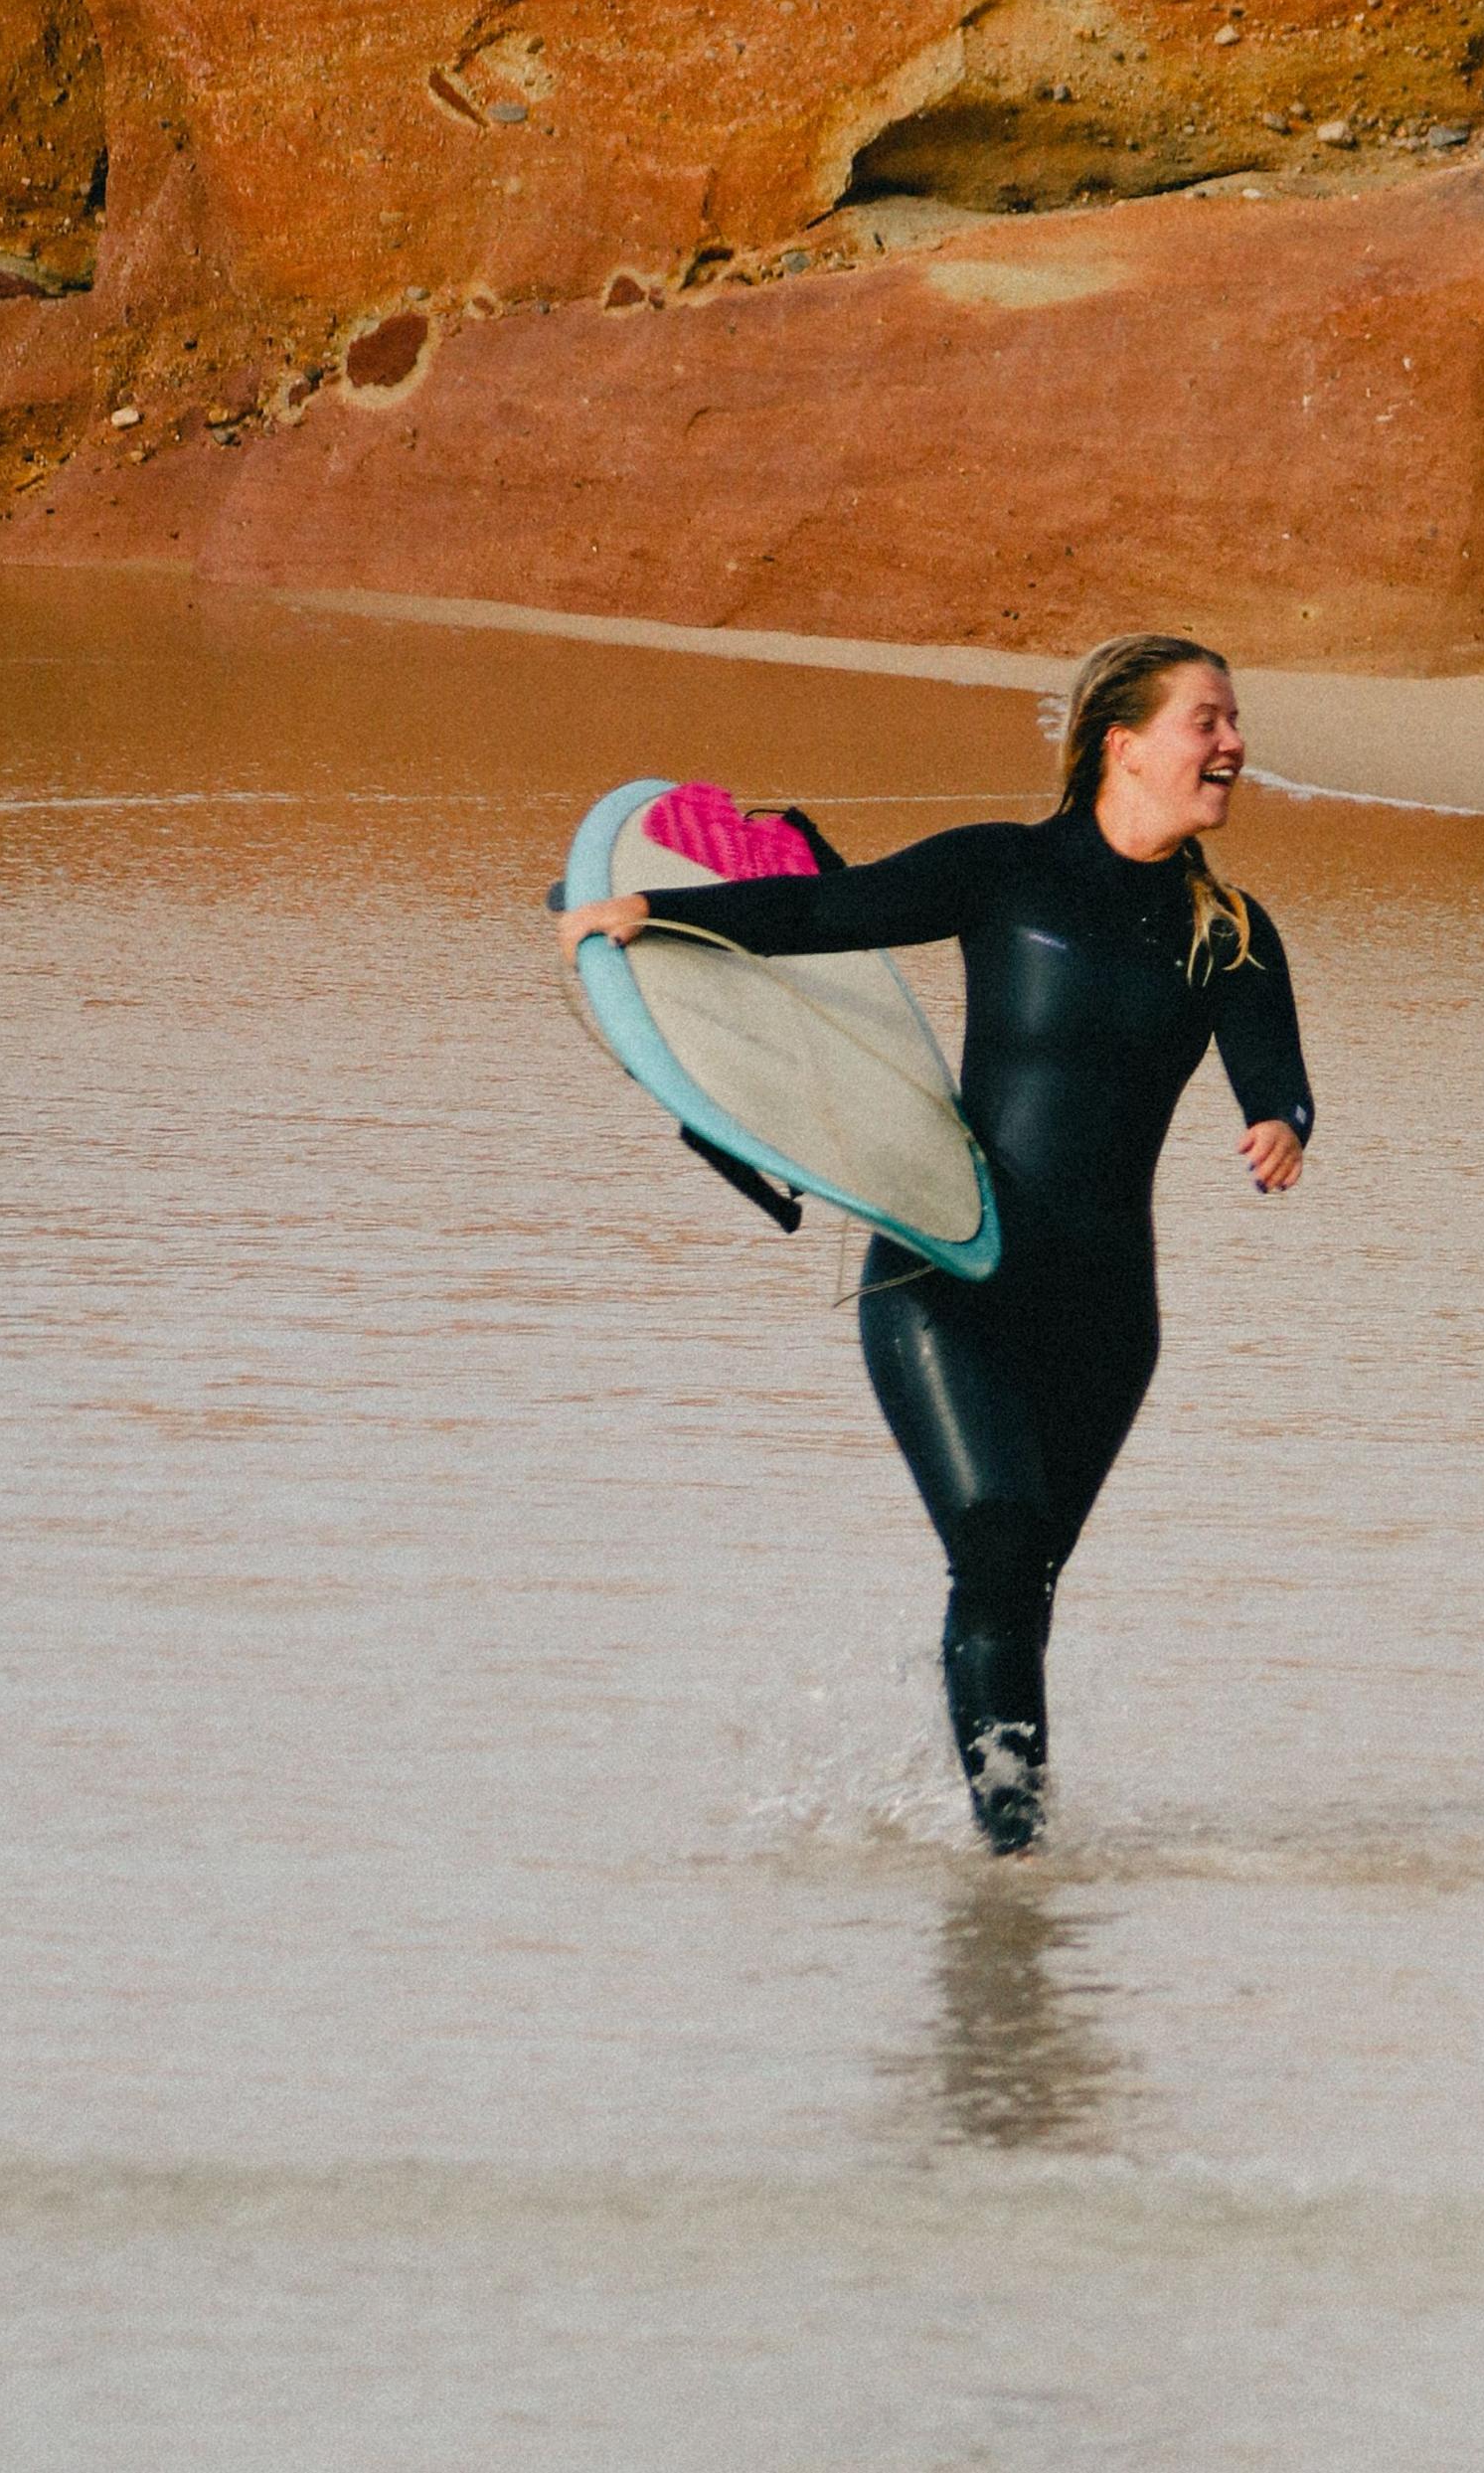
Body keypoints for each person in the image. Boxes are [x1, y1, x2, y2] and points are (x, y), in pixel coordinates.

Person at [561, 636, 1312, 1852]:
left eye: (1233, 720)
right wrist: (650, 913)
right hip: (948, 1279)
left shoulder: (1227, 929)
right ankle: (1013, 1870)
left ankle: (1007, 1852)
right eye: (1207, 720)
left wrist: (1280, 1123)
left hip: (1107, 1313)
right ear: (1122, 744)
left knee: (1022, 1590)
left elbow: (1275, 1071)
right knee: (1002, 1541)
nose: (1232, 742)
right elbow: (821, 910)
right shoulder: (1000, 871)